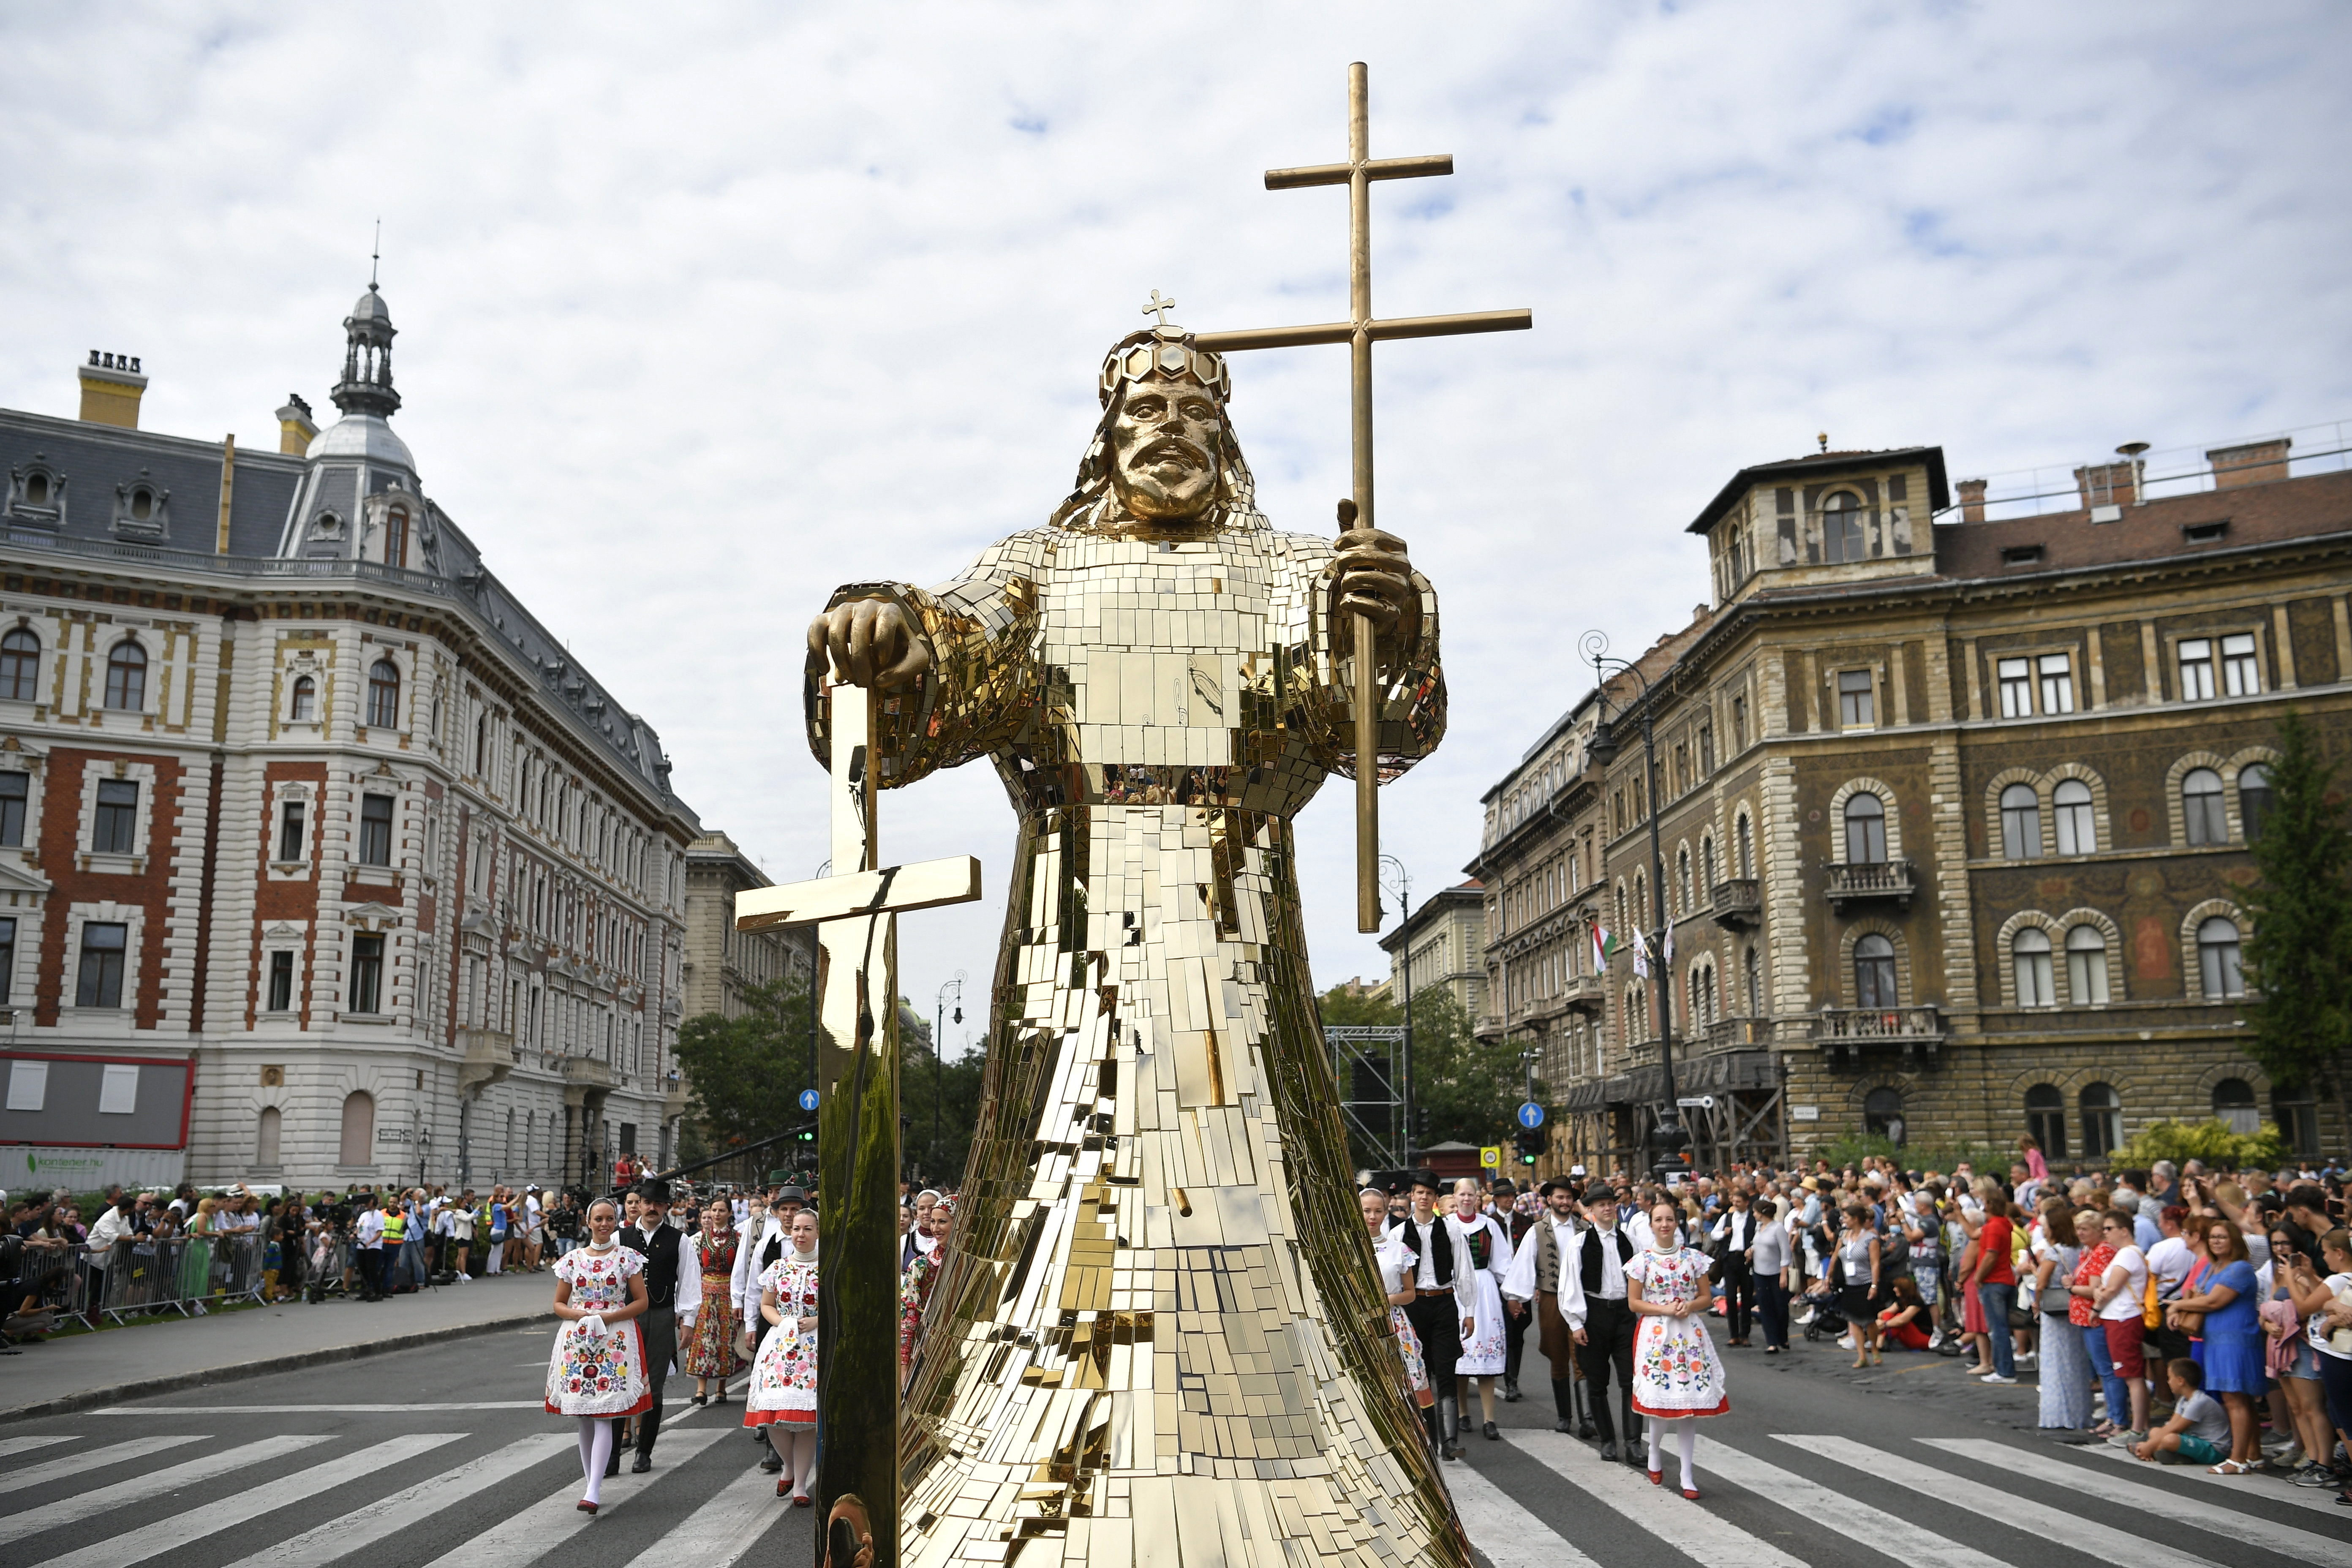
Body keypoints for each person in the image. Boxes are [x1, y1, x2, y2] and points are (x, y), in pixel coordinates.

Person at [546, 1196, 652, 1514]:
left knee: (605, 1414)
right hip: (578, 1341)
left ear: (616, 1222)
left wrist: (607, 1317)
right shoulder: (572, 1259)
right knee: (584, 1417)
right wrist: (581, 1315)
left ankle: (594, 1489)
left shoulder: (627, 1259)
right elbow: (558, 1304)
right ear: (588, 1222)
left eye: (609, 1219)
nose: (604, 1224)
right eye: (598, 1219)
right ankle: (590, 1482)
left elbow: (641, 1302)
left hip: (614, 1338)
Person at [1625, 1199, 1728, 1500]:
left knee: (1689, 1407)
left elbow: (1706, 1296)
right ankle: (1654, 1451)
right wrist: (1665, 1309)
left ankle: (1687, 1473)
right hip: (1657, 1334)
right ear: (1651, 1225)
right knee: (1662, 1401)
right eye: (1659, 1220)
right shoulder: (1641, 1262)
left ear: (1677, 1223)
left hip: (1689, 1333)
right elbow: (1634, 1302)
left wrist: (1688, 1306)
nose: (1665, 1225)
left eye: (1670, 1219)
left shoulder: (1694, 1258)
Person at [1390, 1171, 1481, 1461]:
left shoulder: (1451, 1230)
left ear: (1437, 1199)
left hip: (1443, 1303)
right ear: (1412, 1196)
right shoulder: (1399, 1233)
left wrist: (1469, 1311)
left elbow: (1464, 1271)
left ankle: (1450, 1441)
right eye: (1419, 1193)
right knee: (1418, 1372)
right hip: (1413, 1306)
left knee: (1446, 1368)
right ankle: (1424, 1438)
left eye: (1430, 1194)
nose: (1424, 1198)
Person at [615, 1180, 701, 1474]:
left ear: (666, 1207)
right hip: (625, 1319)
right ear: (638, 1204)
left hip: (662, 1316)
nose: (652, 1208)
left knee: (654, 1386)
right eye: (647, 1202)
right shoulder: (620, 1237)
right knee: (620, 1383)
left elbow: (689, 1283)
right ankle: (613, 1453)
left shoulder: (679, 1240)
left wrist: (688, 1321)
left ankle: (644, 1451)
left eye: (658, 1204)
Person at [2167, 1217, 2262, 1472]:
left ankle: (2238, 1460)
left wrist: (2177, 1305)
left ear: (2235, 1241)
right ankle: (2253, 1454)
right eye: (2213, 1237)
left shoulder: (2239, 1268)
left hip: (2235, 1341)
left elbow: (2213, 1302)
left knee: (2235, 1400)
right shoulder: (2215, 1266)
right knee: (2241, 1400)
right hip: (2218, 1340)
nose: (2217, 1242)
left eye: (2223, 1237)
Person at [1560, 1183, 1642, 1465]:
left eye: (1611, 1203)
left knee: (1632, 1380)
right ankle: (1608, 1440)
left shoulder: (1630, 1240)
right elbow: (1569, 1284)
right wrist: (1575, 1323)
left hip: (1624, 1313)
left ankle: (1633, 1443)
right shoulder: (1580, 1243)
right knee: (1596, 1382)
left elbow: (1642, 1278)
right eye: (1601, 1205)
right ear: (1591, 1210)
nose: (1608, 1209)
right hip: (1594, 1312)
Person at [745, 1206, 821, 1503]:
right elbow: (767, 1305)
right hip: (781, 1344)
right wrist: (782, 1322)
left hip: (814, 1345)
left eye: (808, 1229)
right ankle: (788, 1466)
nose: (800, 1235)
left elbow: (837, 1305)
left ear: (818, 1233)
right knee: (772, 1413)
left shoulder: (827, 1267)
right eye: (797, 1229)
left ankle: (800, 1484)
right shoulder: (778, 1267)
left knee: (808, 1418)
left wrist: (818, 1320)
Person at [1502, 1178, 1589, 1431]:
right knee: (1557, 1355)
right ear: (1549, 1200)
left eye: (1568, 1198)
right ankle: (1565, 1416)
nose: (1565, 1202)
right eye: (1560, 1198)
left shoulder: (1584, 1229)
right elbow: (1524, 1263)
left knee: (1582, 1356)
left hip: (1581, 1298)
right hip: (1551, 1297)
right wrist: (1515, 1297)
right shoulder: (1537, 1230)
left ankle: (1588, 1418)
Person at [1362, 1188, 1435, 1429]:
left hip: (1394, 1323)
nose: (1372, 1217)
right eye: (1366, 1211)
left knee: (1405, 1378)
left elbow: (1410, 1294)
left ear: (1386, 1213)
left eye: (1378, 1211)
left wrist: (1389, 1300)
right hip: (1358, 1322)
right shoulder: (1347, 1250)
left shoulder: (1399, 1250)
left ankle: (1418, 1435)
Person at [1447, 1179, 1512, 1442]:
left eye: (1471, 1195)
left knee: (1485, 1358)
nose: (1466, 1199)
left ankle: (1489, 1419)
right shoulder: (1447, 1226)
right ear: (1455, 1196)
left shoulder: (1490, 1225)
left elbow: (1502, 1263)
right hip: (1454, 1289)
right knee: (1460, 1356)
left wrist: (1512, 1296)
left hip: (1484, 1289)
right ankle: (1463, 1413)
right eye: (1462, 1194)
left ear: (1478, 1197)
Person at [2077, 1208, 2149, 1444]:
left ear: (2124, 1230)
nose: (2105, 1233)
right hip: (2117, 1317)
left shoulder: (2128, 1254)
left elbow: (2111, 1288)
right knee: (2123, 1372)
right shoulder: (2123, 1254)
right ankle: (2126, 1423)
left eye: (2109, 1229)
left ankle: (2136, 1427)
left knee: (2131, 1375)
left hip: (2124, 1317)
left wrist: (2096, 1307)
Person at [686, 1199, 744, 1405]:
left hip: (729, 1294)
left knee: (725, 1341)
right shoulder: (699, 1239)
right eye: (714, 1210)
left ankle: (721, 1388)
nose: (717, 1214)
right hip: (705, 1295)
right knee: (703, 1341)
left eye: (721, 1211)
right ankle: (701, 1390)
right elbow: (692, 1271)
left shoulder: (738, 1239)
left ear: (729, 1213)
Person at [2130, 1359, 2233, 1468]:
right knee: (2154, 1432)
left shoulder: (2199, 1402)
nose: (2168, 1382)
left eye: (2170, 1378)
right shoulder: (2185, 1400)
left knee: (2170, 1440)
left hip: (2214, 1449)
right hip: (2195, 1440)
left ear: (2181, 1381)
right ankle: (2160, 1452)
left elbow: (2177, 1429)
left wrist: (2149, 1445)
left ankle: (2151, 1450)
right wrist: (2150, 1444)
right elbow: (2172, 1425)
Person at [1969, 1183, 2020, 1384]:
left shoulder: (1994, 1227)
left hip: (1995, 1281)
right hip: (2005, 1279)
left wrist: (1979, 1277)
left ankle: (2005, 1371)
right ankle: (2003, 1368)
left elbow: (1991, 1255)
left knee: (1997, 1328)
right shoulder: (2003, 1224)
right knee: (2001, 1328)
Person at [1707, 1189, 1758, 1348]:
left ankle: (1745, 1334)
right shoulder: (1727, 1217)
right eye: (1734, 1201)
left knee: (1746, 1298)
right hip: (1730, 1260)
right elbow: (1714, 1235)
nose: (1735, 1204)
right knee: (1730, 1297)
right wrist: (1724, 1233)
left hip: (1747, 1260)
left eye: (1739, 1202)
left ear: (1746, 1202)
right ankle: (1734, 1334)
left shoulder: (1753, 1219)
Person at [1836, 1205, 1883, 1369]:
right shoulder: (1844, 1236)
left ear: (1856, 1219)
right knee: (1854, 1321)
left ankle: (1875, 1347)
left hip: (1865, 1282)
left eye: (1847, 1218)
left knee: (1869, 1320)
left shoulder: (1871, 1238)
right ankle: (1862, 1356)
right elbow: (1837, 1255)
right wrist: (1828, 1276)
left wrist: (1874, 1285)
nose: (1844, 1220)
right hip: (1850, 1283)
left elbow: (1875, 1263)